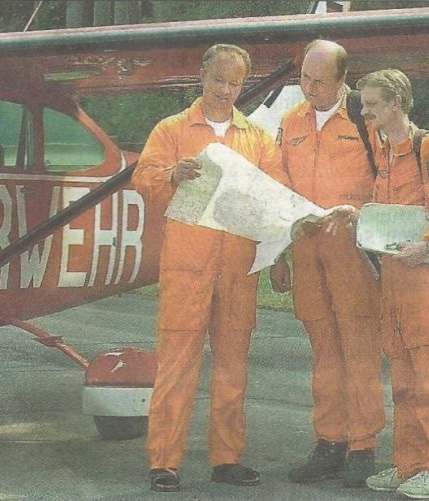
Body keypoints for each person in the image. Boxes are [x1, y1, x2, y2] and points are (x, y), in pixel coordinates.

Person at [131, 43, 280, 493]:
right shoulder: (173, 129)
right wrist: (172, 174)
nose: (226, 91)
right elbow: (142, 178)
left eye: (235, 84)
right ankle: (164, 461)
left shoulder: (256, 138)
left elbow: (276, 198)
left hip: (238, 271)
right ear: (202, 76)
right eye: (219, 80)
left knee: (232, 367)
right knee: (176, 366)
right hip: (187, 270)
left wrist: (281, 250)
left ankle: (227, 458)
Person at [269, 39, 385, 488]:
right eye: (303, 78)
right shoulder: (289, 121)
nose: (309, 87)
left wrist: (365, 218)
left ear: (342, 80)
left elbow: (389, 178)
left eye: (319, 80)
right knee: (323, 353)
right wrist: (278, 254)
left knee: (359, 350)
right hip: (306, 250)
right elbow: (277, 193)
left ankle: (362, 447)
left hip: (353, 252)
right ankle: (330, 442)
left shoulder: (363, 118)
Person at [347, 68, 429, 499]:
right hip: (394, 277)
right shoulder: (383, 148)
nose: (365, 113)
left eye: (372, 105)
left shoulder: (427, 145)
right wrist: (360, 216)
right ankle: (409, 464)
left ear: (396, 103)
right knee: (402, 375)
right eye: (364, 106)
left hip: (425, 278)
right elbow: (392, 210)